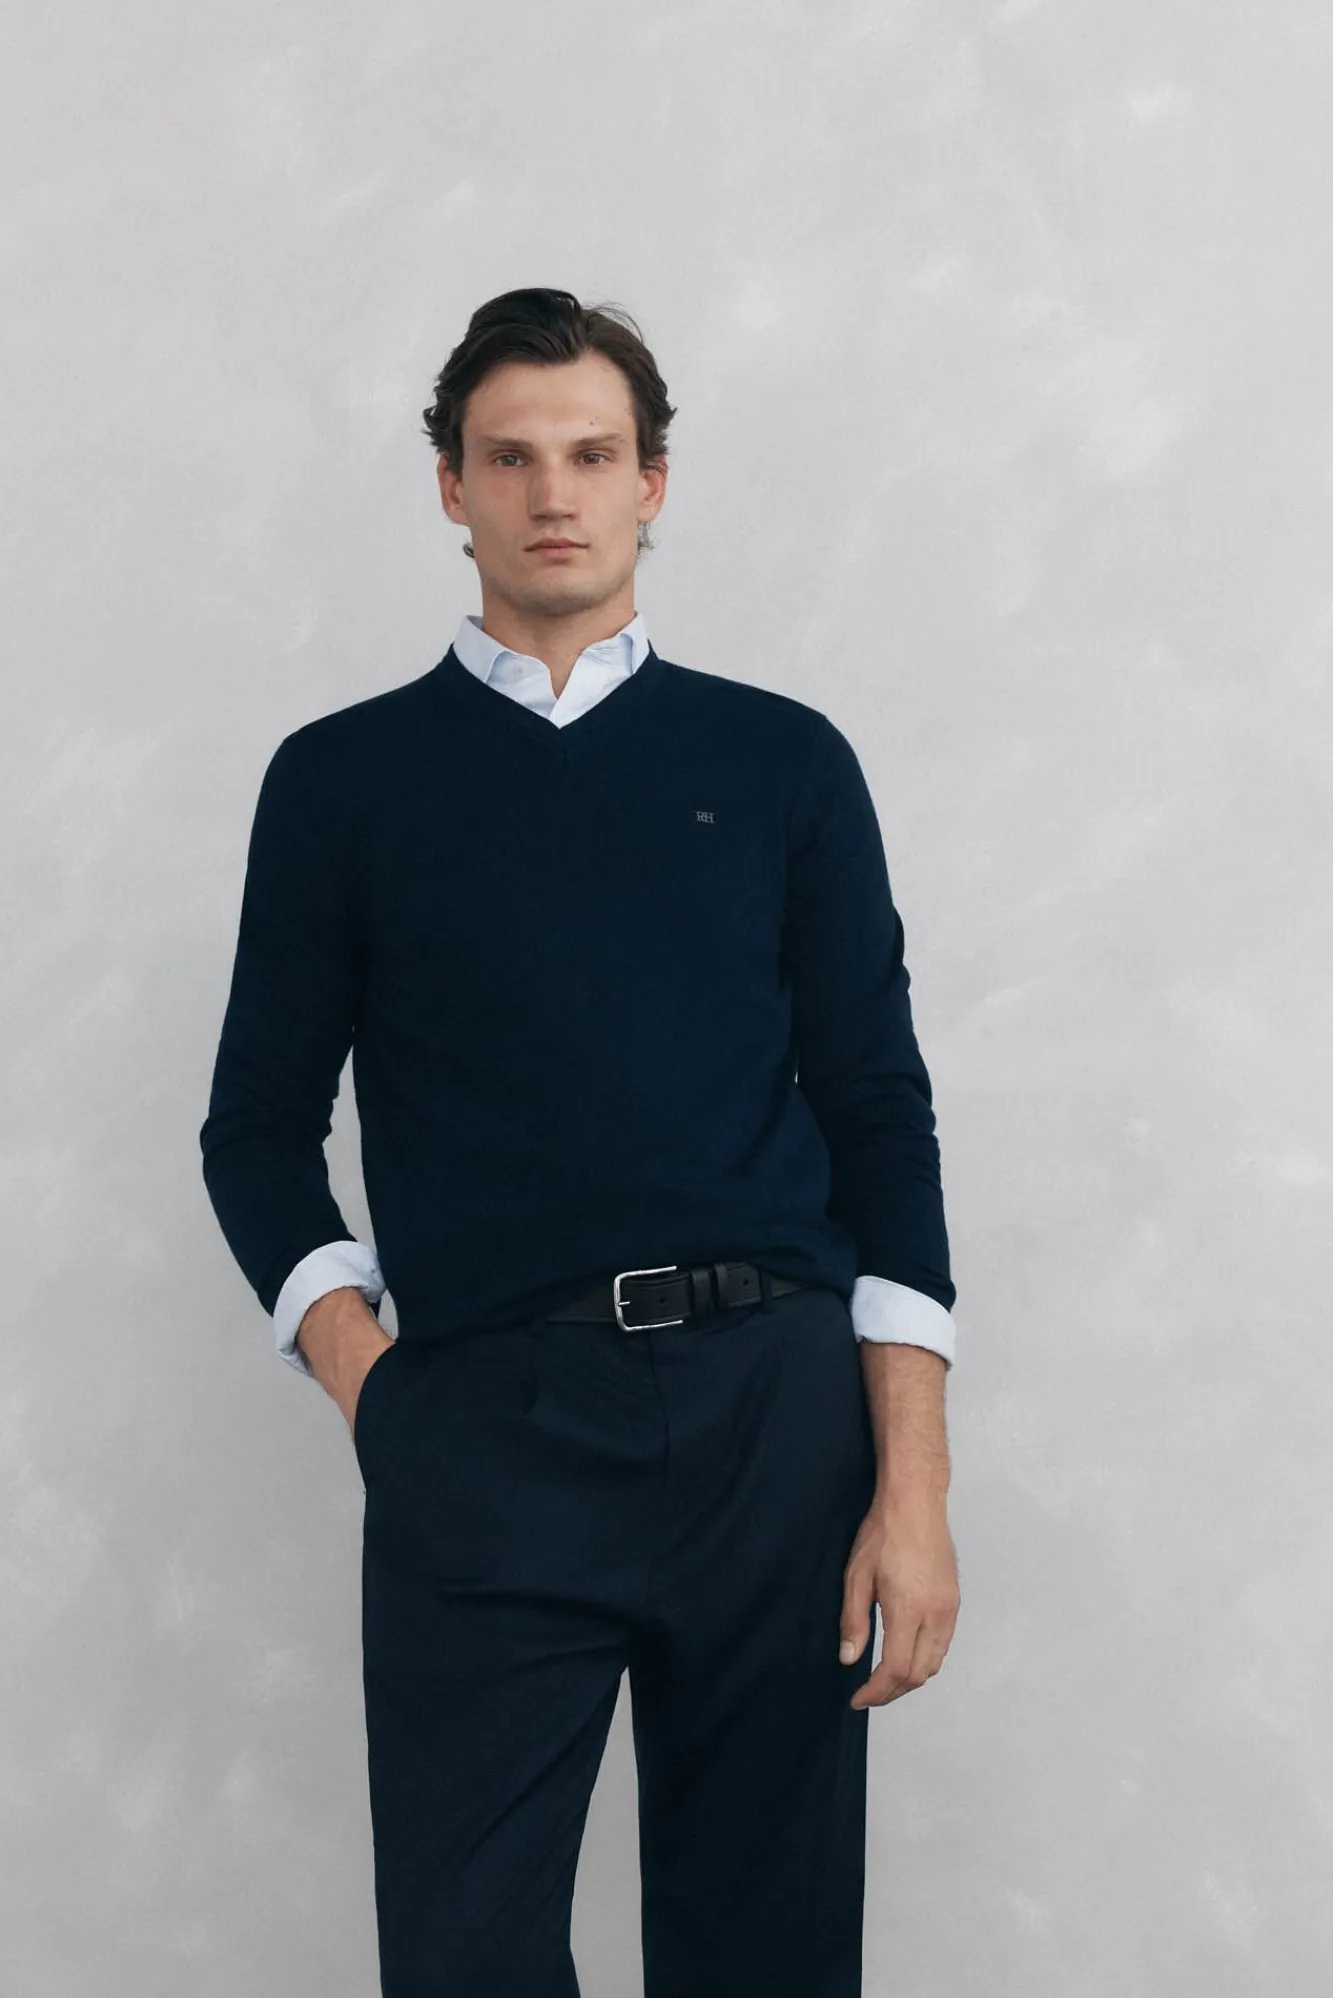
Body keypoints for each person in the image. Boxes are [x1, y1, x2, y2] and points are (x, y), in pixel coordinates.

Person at [200, 285, 961, 1998]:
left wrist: (911, 1485)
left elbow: (879, 1113)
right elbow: (255, 1129)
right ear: (451, 487)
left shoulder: (783, 764)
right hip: (487, 1425)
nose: (555, 492)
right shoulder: (341, 783)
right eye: (511, 456)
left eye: (594, 454)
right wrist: (378, 1391)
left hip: (773, 1417)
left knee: (764, 1959)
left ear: (652, 484)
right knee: (463, 1958)